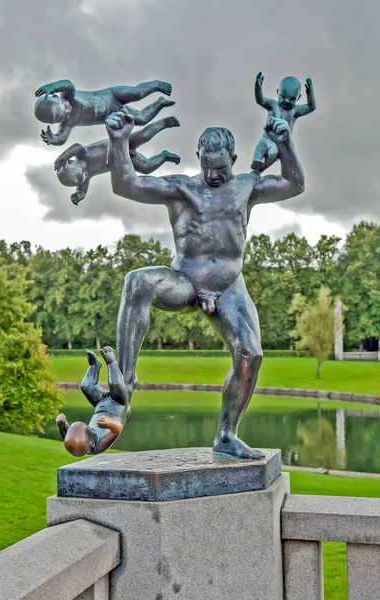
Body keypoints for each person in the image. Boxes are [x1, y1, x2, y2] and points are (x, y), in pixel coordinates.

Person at [105, 108, 305, 460]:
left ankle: (226, 435)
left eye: (221, 168)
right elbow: (127, 184)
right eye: (208, 167)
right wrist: (119, 141)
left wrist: (285, 145)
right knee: (136, 282)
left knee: (251, 354)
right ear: (199, 157)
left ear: (234, 159)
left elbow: (294, 184)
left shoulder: (246, 187)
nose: (214, 175)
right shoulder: (182, 189)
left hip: (229, 285)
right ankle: (123, 387)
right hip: (185, 279)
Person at [54, 116, 180, 205]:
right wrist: (79, 196)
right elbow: (82, 189)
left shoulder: (83, 154)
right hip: (124, 159)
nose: (87, 173)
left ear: (72, 161)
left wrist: (63, 157)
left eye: (84, 171)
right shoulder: (85, 176)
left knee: (143, 136)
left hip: (120, 142)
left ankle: (163, 123)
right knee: (146, 167)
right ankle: (164, 156)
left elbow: (76, 146)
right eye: (85, 176)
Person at [34, 78, 174, 146]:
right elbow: (62, 138)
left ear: (56, 97)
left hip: (112, 95)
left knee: (137, 93)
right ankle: (159, 103)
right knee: (142, 119)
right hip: (114, 113)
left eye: (64, 106)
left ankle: (156, 85)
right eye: (64, 114)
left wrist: (52, 86)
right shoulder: (68, 123)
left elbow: (68, 84)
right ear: (57, 121)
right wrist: (54, 140)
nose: (68, 109)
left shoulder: (69, 96)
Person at [56, 346, 127, 457]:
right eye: (90, 431)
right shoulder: (99, 445)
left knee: (86, 386)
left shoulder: (82, 442)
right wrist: (109, 422)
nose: (91, 429)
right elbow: (117, 429)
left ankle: (95, 366)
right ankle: (111, 362)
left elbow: (67, 435)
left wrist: (62, 425)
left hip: (100, 404)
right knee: (115, 385)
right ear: (92, 444)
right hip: (117, 406)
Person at [251, 72, 316, 171]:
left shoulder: (294, 111)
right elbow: (260, 100)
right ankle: (256, 160)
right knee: (262, 145)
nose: (286, 101)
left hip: (280, 144)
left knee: (273, 153)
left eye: (292, 99)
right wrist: (258, 87)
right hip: (267, 138)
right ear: (278, 92)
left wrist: (310, 92)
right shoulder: (273, 105)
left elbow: (311, 107)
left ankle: (260, 169)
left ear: (298, 98)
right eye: (283, 96)